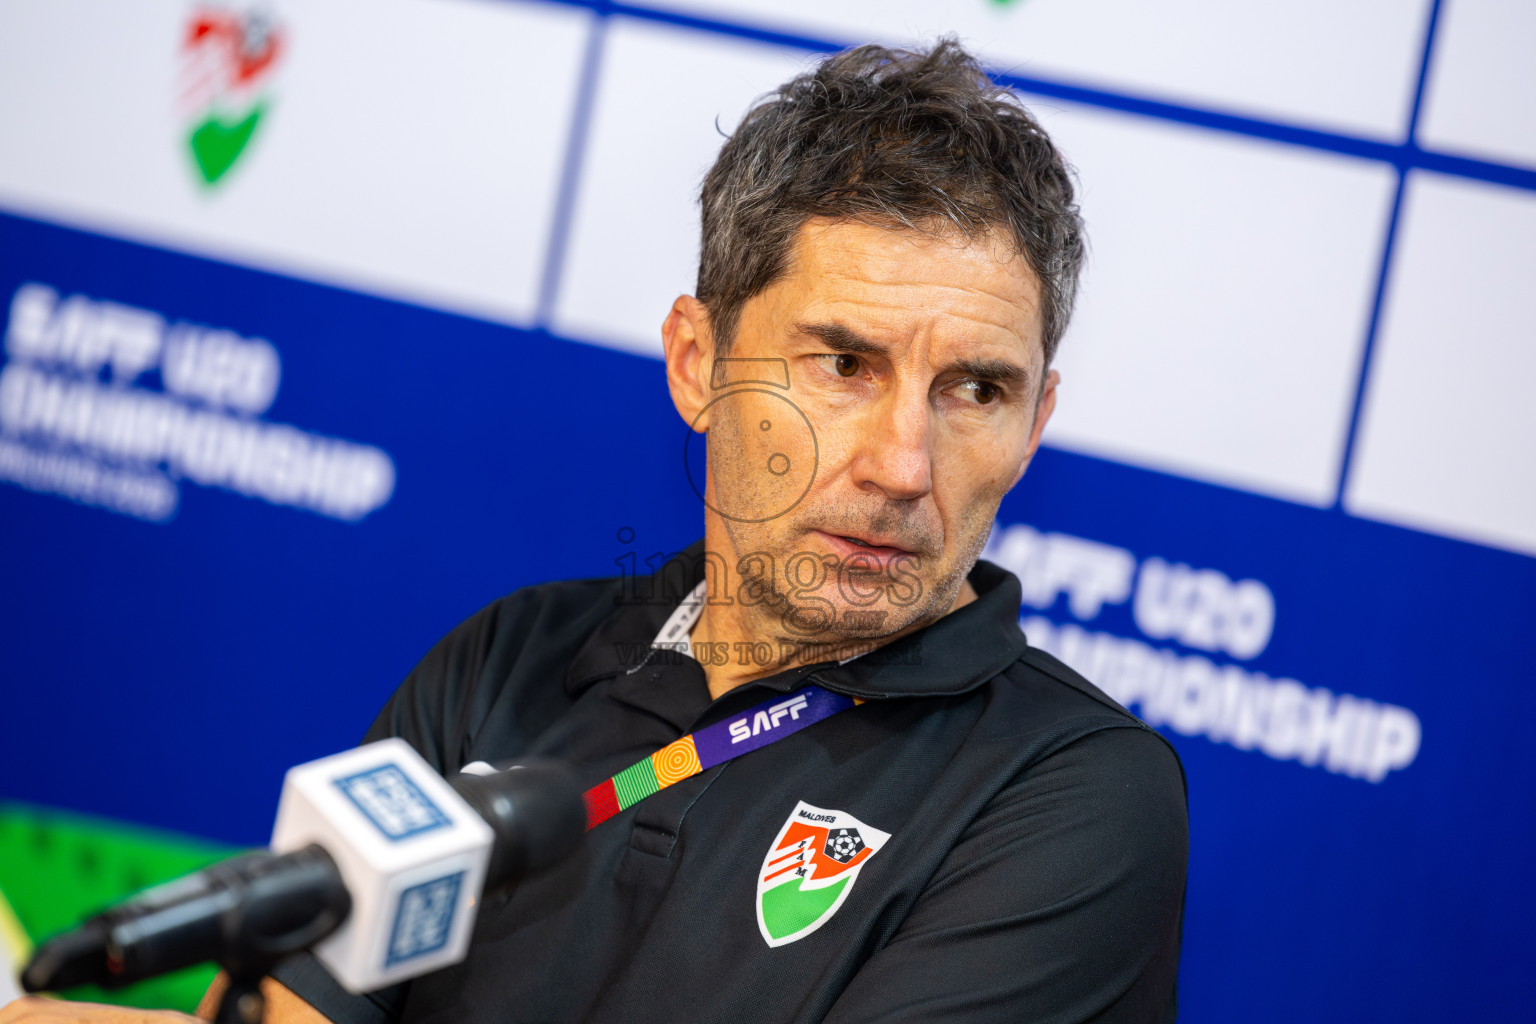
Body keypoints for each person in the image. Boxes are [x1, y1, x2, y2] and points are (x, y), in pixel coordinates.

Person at [2, 37, 1187, 1024]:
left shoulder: (1074, 795)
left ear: (1035, 423)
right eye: (842, 365)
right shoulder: (506, 663)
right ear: (697, 362)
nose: (903, 465)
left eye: (976, 389)